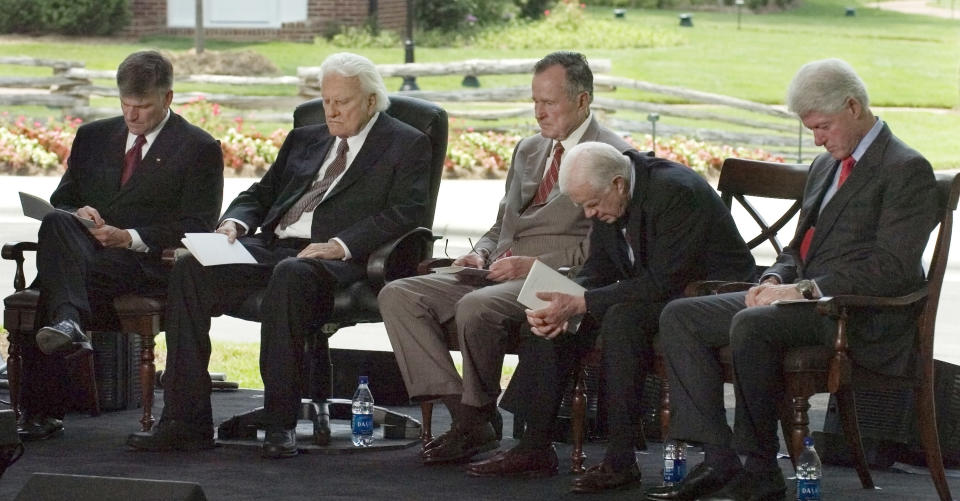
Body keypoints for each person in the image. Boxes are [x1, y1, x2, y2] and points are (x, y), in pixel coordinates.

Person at [645, 59, 939, 501]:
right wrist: (772, 278)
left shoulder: (905, 168)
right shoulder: (825, 166)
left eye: (823, 127)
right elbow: (797, 248)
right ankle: (719, 458)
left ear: (853, 106)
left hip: (857, 315)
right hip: (800, 301)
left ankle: (760, 467)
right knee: (680, 317)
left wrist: (801, 290)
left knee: (753, 324)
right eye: (812, 130)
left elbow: (892, 268)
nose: (817, 139)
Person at [126, 52, 431, 458]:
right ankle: (186, 421)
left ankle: (279, 422)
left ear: (371, 101)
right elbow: (261, 194)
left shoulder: (405, 143)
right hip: (272, 246)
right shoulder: (306, 138)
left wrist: (340, 244)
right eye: (326, 101)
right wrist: (234, 223)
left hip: (336, 261)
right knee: (191, 266)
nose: (332, 111)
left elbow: (406, 213)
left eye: (343, 102)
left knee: (291, 273)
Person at [376, 51, 632, 465]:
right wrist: (480, 253)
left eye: (549, 103)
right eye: (534, 102)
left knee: (476, 307)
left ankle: (474, 418)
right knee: (399, 295)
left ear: (583, 101)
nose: (539, 113)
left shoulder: (611, 155)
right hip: (497, 269)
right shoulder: (529, 149)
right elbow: (503, 225)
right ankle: (469, 417)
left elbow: (605, 250)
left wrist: (533, 265)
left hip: (556, 277)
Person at [468, 142, 755, 487]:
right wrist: (567, 298)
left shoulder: (676, 192)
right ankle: (534, 446)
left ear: (618, 184)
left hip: (705, 292)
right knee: (555, 313)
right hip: (652, 290)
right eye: (581, 206)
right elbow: (600, 268)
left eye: (591, 204)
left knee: (620, 319)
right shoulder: (608, 196)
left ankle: (620, 459)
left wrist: (584, 301)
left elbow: (665, 281)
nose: (588, 214)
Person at [17, 50, 224, 441]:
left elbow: (199, 225)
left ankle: (46, 396)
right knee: (60, 221)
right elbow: (62, 200)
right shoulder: (93, 136)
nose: (132, 116)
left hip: (142, 264)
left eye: (142, 107)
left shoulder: (198, 148)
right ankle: (69, 322)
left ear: (168, 98)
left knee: (55, 276)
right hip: (87, 252)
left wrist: (129, 237)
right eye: (126, 105)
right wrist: (80, 211)